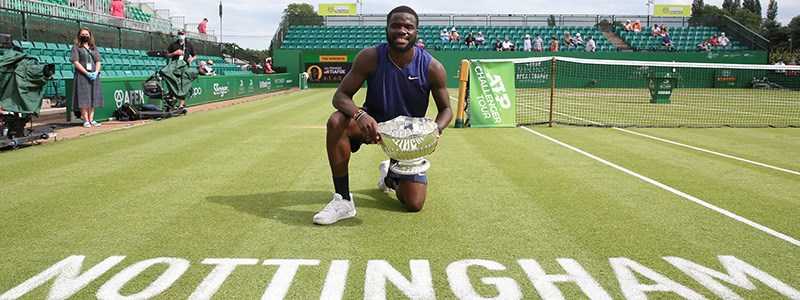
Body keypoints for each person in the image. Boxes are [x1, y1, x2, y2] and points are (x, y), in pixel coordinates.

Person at [313, 5, 453, 225]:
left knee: (414, 203)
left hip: (406, 138)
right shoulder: (370, 57)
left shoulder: (432, 67)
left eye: (408, 27)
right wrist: (360, 115)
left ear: (416, 32)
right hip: (373, 127)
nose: (402, 30)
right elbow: (340, 96)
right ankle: (343, 200)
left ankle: (390, 177)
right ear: (387, 29)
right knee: (337, 121)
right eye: (395, 26)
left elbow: (446, 109)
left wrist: (437, 129)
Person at [70, 27, 103, 128]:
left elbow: (98, 60)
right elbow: (75, 61)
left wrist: (96, 72)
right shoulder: (76, 47)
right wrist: (86, 73)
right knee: (83, 97)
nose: (85, 36)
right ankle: (86, 120)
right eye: (83, 35)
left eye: (87, 35)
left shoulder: (93, 47)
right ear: (79, 36)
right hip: (82, 75)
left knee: (93, 96)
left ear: (90, 36)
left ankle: (91, 119)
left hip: (94, 75)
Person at [166, 31, 197, 108]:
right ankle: (173, 104)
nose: (180, 36)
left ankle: (181, 105)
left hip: (185, 67)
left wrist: (192, 59)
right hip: (175, 67)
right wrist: (174, 53)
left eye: (182, 34)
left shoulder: (189, 45)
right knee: (174, 85)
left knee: (184, 86)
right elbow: (167, 55)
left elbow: (195, 56)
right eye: (179, 34)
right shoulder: (173, 45)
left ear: (185, 35)